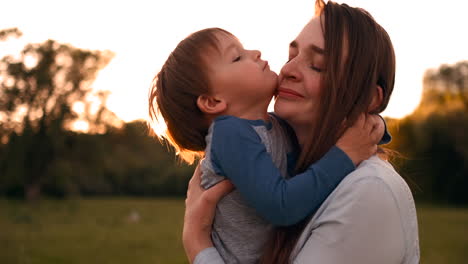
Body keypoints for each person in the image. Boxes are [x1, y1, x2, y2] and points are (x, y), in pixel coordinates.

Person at [182, 1, 420, 264]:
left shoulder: (368, 191)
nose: (287, 71)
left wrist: (197, 243)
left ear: (369, 99)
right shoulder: (286, 162)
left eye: (317, 65)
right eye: (291, 56)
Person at [149, 26, 387, 263]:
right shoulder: (229, 135)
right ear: (213, 101)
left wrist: (373, 122)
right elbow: (282, 206)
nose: (255, 52)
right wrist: (345, 154)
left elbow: (337, 127)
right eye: (237, 57)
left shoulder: (274, 126)